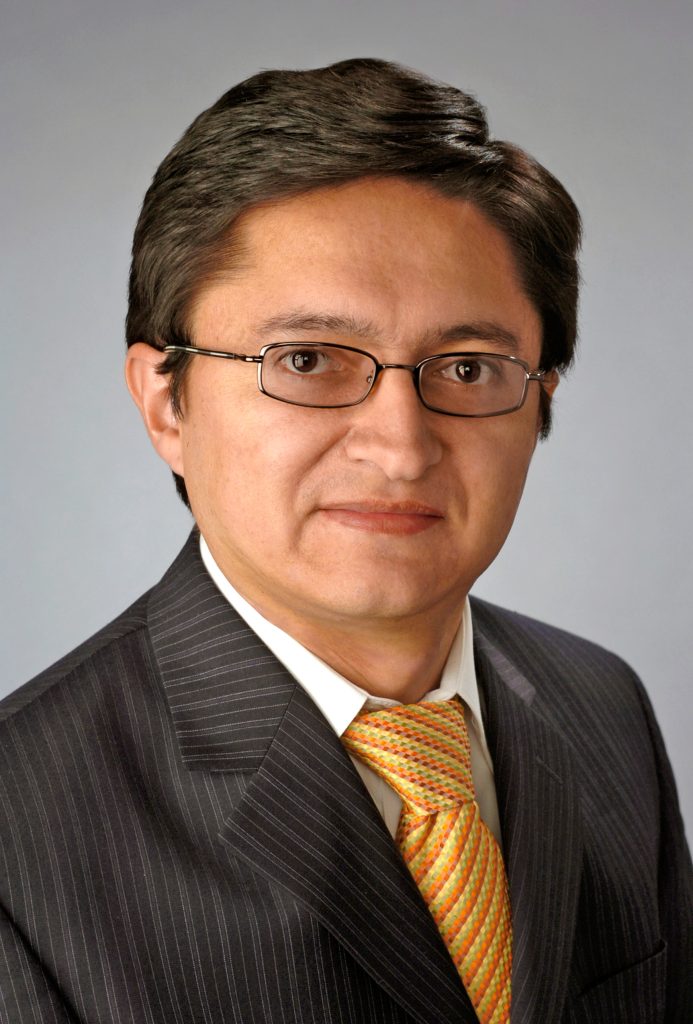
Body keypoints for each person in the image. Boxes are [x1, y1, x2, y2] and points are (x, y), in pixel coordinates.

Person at [1, 58, 690, 1024]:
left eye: (465, 365)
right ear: (166, 401)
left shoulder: (602, 704)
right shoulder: (19, 836)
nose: (402, 447)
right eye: (309, 360)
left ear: (540, 402)